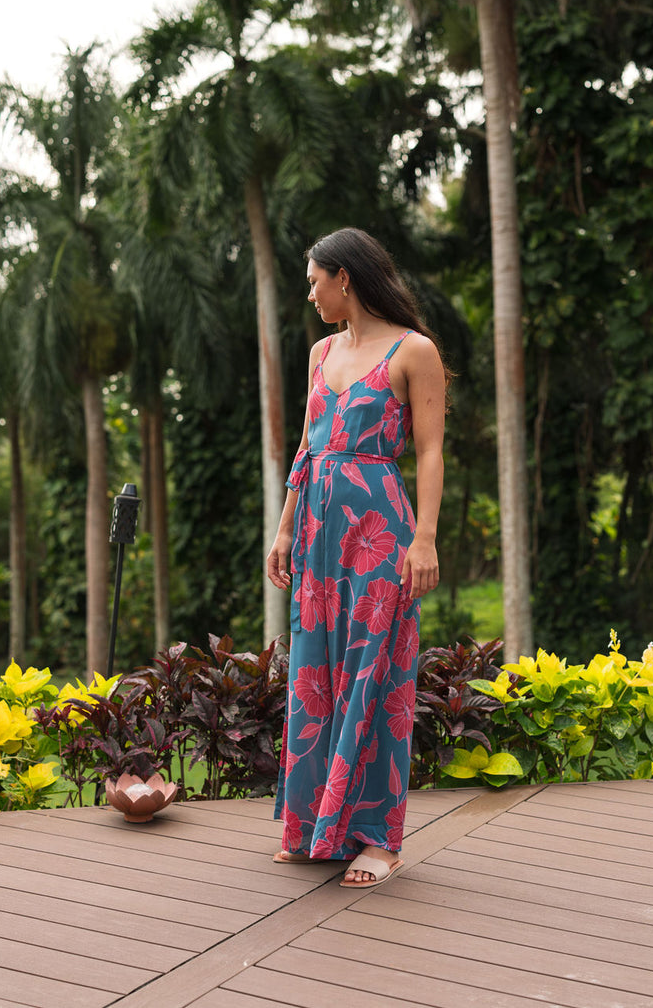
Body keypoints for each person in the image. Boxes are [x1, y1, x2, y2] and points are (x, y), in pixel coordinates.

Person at [267, 227, 447, 887]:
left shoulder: (413, 350)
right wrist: (285, 528)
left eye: (315, 280)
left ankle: (379, 838)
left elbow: (429, 451)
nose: (309, 292)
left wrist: (424, 537)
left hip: (379, 534)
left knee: (378, 675)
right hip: (317, 534)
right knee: (316, 674)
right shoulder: (318, 353)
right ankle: (313, 821)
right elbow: (309, 447)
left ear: (347, 278)